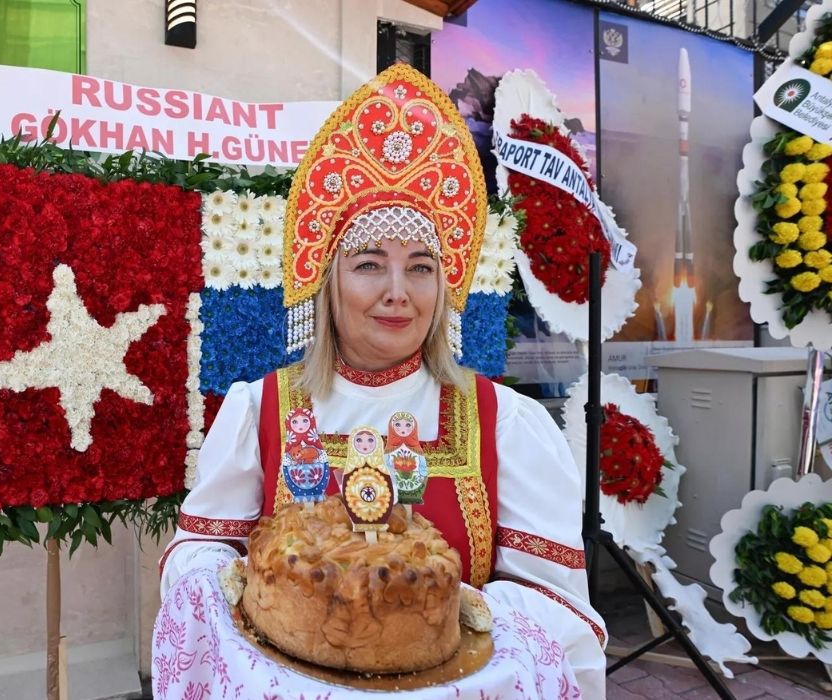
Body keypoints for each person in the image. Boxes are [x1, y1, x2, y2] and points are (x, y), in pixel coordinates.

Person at [159, 64, 607, 698]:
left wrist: (427, 633)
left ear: (443, 288)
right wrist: (241, 592)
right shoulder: (259, 407)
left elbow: (561, 614)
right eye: (370, 265)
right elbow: (192, 560)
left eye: (420, 268)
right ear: (328, 279)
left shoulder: (504, 422)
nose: (399, 294)